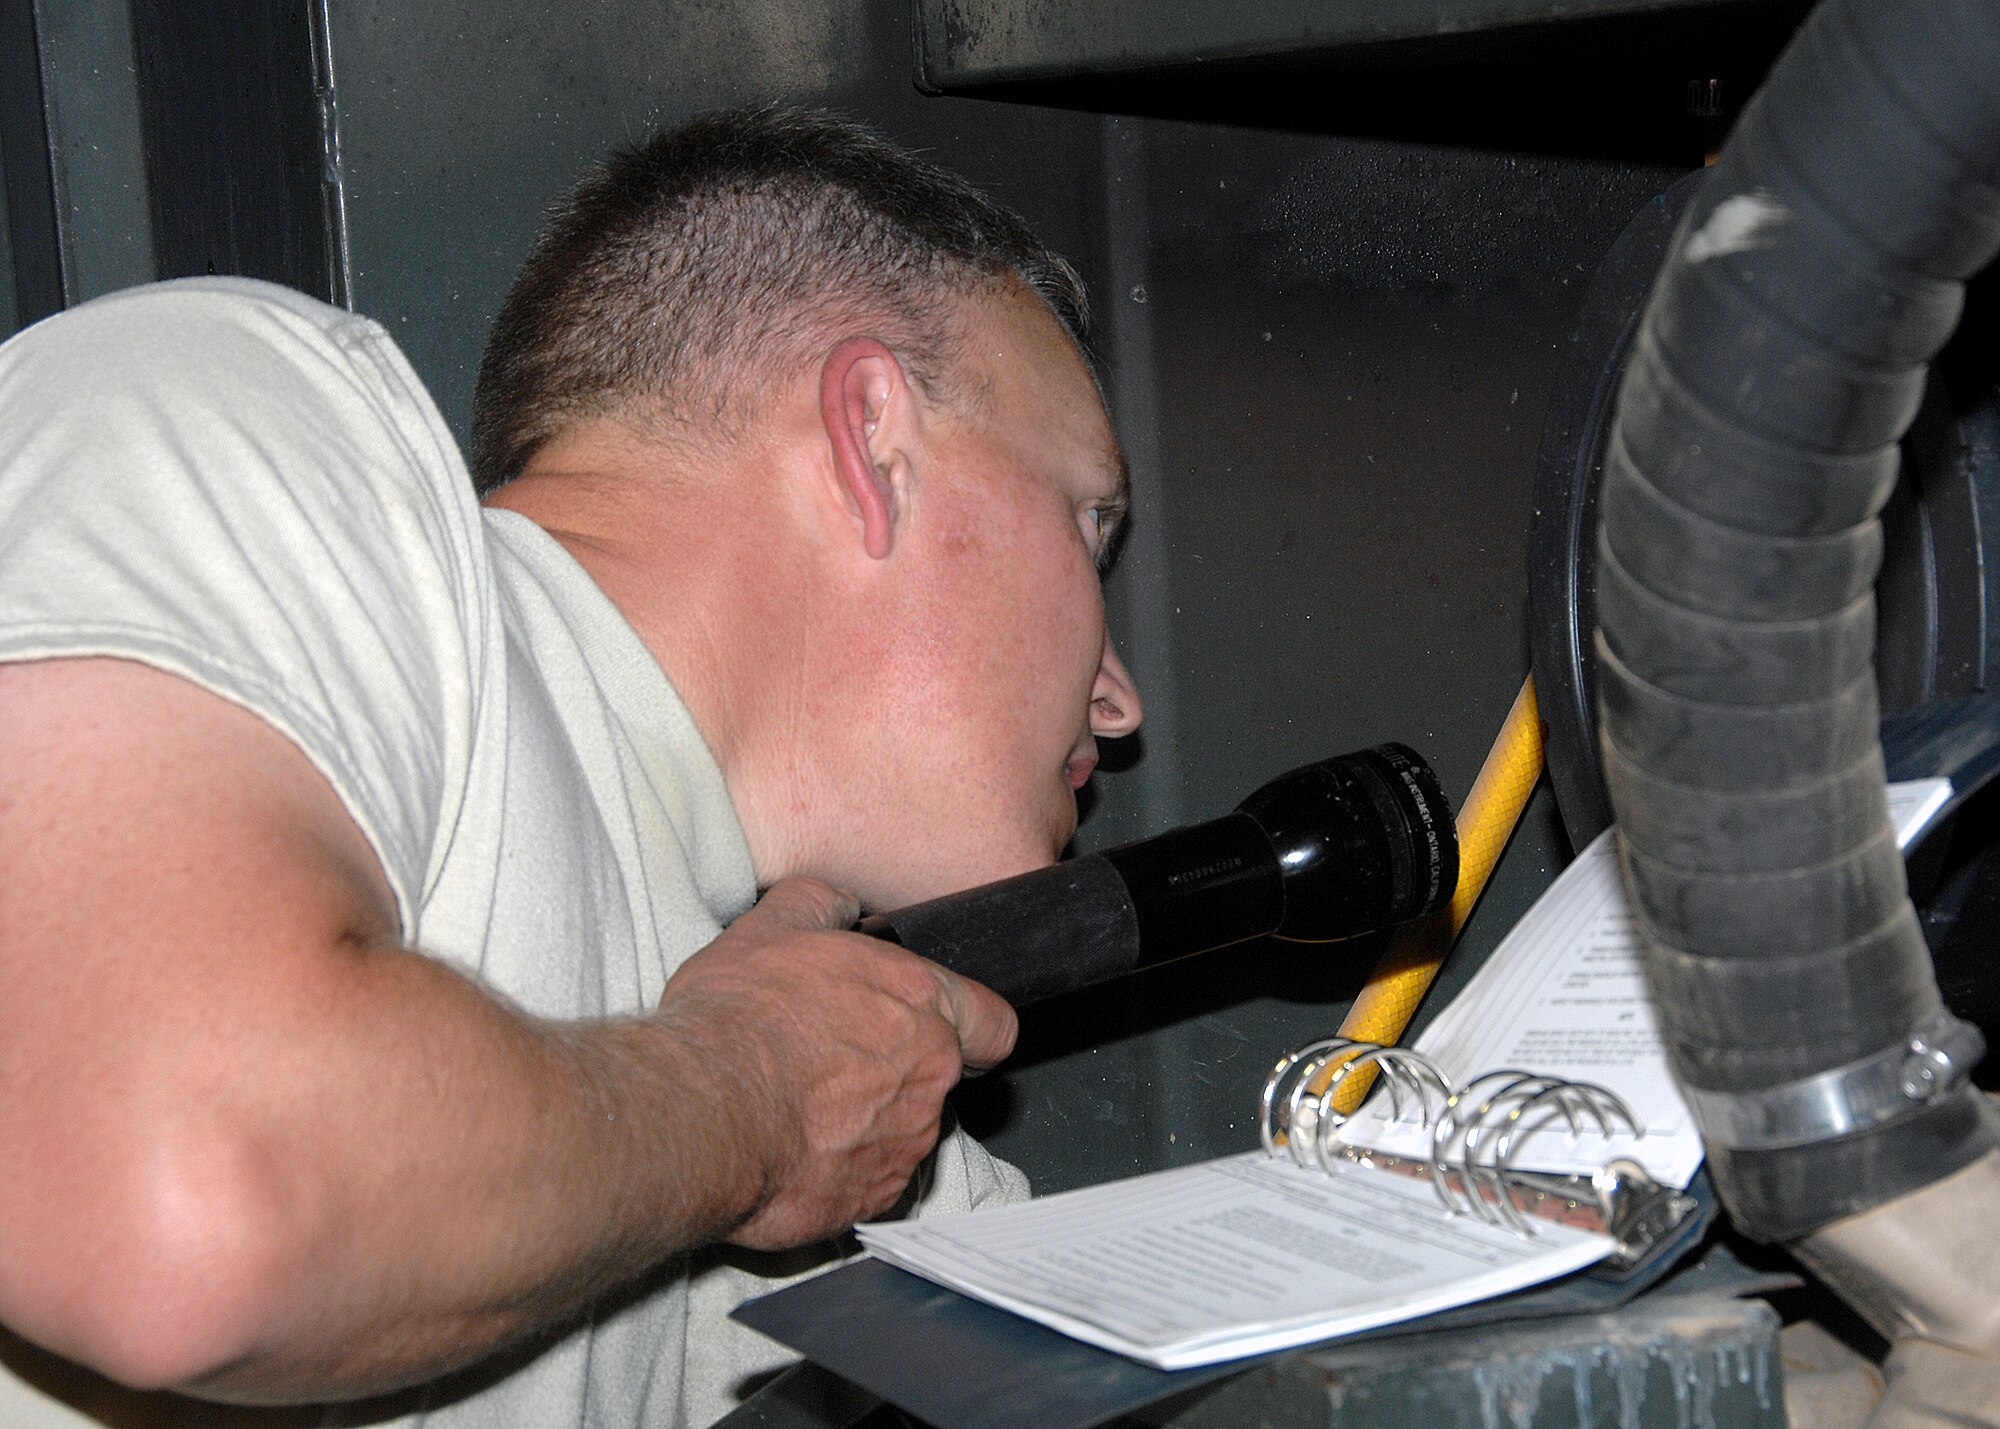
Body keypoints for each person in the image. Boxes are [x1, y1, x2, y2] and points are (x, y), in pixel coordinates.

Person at [0, 104, 1143, 1426]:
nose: (1118, 703)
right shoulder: (230, 415)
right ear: (876, 435)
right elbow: (181, 1198)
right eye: (1086, 517)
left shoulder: (853, 1104)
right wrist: (753, 1096)